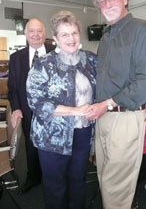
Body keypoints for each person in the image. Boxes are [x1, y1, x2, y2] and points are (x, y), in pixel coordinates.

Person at [86, 0, 146, 209]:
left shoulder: (142, 30)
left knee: (117, 188)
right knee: (104, 177)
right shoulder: (106, 37)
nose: (106, 4)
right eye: (101, 1)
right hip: (103, 117)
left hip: (125, 119)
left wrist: (105, 105)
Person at [26, 11, 96, 209]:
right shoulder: (43, 65)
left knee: (78, 180)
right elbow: (37, 103)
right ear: (55, 38)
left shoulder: (91, 61)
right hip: (51, 137)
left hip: (82, 132)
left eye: (74, 33)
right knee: (55, 186)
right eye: (64, 34)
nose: (71, 38)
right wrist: (75, 111)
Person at [8, 18, 55, 193]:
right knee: (31, 146)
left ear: (45, 33)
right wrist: (17, 108)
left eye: (39, 31)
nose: (35, 34)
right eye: (32, 31)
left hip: (54, 111)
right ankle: (34, 177)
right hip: (27, 111)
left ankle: (52, 177)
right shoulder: (16, 58)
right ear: (26, 34)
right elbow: (12, 88)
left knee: (52, 145)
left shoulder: (56, 52)